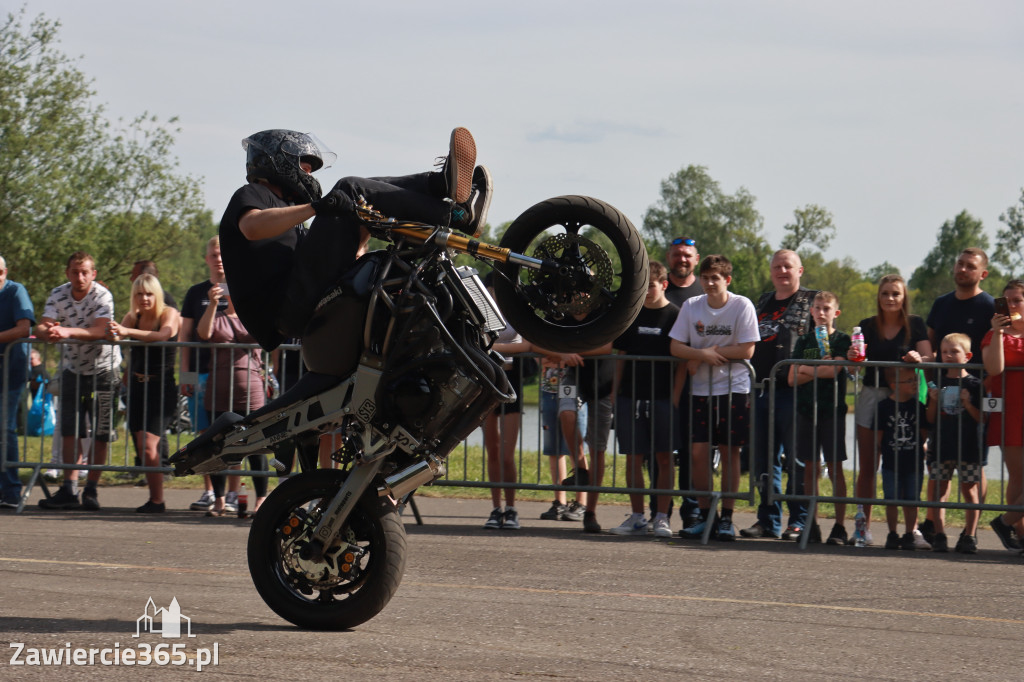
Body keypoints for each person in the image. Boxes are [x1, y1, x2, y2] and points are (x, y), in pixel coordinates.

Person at [218, 128, 491, 367]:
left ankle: (441, 189)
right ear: (276, 161)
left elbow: (337, 248)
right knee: (349, 189)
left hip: (299, 302)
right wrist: (317, 206)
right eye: (305, 165)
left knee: (356, 198)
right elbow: (252, 227)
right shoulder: (254, 193)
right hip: (286, 308)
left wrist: (361, 230)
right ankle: (454, 213)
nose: (309, 173)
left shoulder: (290, 213)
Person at [670, 255, 758, 540]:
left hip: (734, 389)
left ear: (727, 280)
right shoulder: (691, 306)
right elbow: (676, 347)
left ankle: (727, 519)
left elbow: (746, 350)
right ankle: (706, 515)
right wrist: (700, 354)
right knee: (697, 454)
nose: (709, 283)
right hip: (700, 391)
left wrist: (709, 353)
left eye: (715, 278)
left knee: (730, 451)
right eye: (705, 277)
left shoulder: (741, 305)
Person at [846, 274, 931, 544]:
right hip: (872, 396)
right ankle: (863, 527)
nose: (890, 299)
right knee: (869, 466)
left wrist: (920, 358)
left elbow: (930, 357)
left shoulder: (915, 324)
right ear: (878, 297)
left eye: (896, 293)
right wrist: (852, 358)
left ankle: (911, 529)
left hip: (906, 399)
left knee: (909, 464)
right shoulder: (866, 326)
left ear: (904, 296)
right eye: (885, 294)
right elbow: (854, 365)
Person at [741, 250, 817, 540]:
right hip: (761, 390)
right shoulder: (762, 301)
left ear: (800, 270)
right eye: (777, 266)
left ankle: (798, 521)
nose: (782, 271)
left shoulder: (812, 301)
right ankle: (767, 520)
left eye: (788, 266)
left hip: (796, 392)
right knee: (764, 460)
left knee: (797, 461)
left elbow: (822, 339)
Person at [36, 252, 121, 511]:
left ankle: (92, 490)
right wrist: (47, 332)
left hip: (105, 369)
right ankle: (69, 488)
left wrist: (66, 331)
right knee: (70, 430)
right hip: (72, 369)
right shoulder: (58, 293)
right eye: (75, 272)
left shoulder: (102, 296)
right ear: (67, 273)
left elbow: (101, 330)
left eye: (85, 272)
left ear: (93, 274)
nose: (79, 277)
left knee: (102, 431)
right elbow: (43, 325)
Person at [921, 247, 994, 542]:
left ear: (982, 274)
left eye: (970, 266)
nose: (963, 270)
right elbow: (930, 343)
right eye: (959, 264)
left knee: (976, 465)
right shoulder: (941, 304)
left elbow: (1015, 324)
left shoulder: (993, 304)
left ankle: (970, 532)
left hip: (981, 393)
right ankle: (933, 526)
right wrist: (928, 380)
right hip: (942, 394)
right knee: (941, 468)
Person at [607, 262, 680, 538]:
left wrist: (675, 395)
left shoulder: (675, 315)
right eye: (644, 284)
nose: (647, 290)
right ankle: (637, 516)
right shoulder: (632, 314)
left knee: (664, 459)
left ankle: (662, 517)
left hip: (662, 397)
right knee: (633, 458)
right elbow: (621, 355)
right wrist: (615, 392)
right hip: (630, 396)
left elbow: (682, 362)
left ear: (664, 285)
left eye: (652, 284)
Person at [107, 274, 180, 513]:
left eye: (149, 293)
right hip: (137, 387)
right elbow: (117, 334)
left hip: (161, 388)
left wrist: (126, 330)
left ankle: (158, 500)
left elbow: (163, 335)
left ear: (157, 294)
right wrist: (113, 331)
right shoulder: (133, 317)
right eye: (139, 294)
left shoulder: (168, 313)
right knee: (141, 446)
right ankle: (154, 498)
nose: (144, 298)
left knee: (150, 445)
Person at [196, 282, 267, 516]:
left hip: (251, 392)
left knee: (257, 445)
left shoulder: (255, 315)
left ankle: (260, 500)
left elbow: (268, 334)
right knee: (218, 446)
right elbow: (203, 334)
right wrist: (213, 304)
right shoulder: (217, 317)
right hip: (219, 392)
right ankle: (219, 500)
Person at [787, 291, 851, 544]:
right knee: (810, 468)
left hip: (831, 410)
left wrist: (806, 369)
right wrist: (814, 369)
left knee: (835, 468)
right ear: (811, 311)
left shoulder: (842, 340)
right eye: (817, 308)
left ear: (835, 313)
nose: (821, 313)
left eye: (826, 308)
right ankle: (811, 523)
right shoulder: (803, 341)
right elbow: (792, 377)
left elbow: (833, 371)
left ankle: (839, 526)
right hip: (806, 409)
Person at [179, 236, 229, 511]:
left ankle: (234, 491)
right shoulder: (195, 293)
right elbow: (184, 336)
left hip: (232, 375)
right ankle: (209, 491)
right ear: (206, 258)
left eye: (222, 253)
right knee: (204, 435)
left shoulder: (240, 288)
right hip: (199, 375)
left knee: (234, 434)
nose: (218, 258)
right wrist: (185, 377)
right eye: (213, 254)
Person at [924, 333, 983, 553]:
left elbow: (982, 418)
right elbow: (930, 418)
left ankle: (969, 535)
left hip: (968, 447)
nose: (948, 356)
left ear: (967, 356)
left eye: (954, 351)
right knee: (938, 489)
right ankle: (939, 534)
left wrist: (968, 404)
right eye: (945, 351)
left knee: (970, 491)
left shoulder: (975, 384)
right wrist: (933, 400)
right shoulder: (937, 382)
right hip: (941, 445)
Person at [982, 279, 1024, 552]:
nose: (1011, 306)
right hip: (1012, 412)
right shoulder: (993, 335)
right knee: (1018, 479)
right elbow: (995, 369)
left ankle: (1006, 522)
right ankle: (1019, 534)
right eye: (1007, 301)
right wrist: (998, 333)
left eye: (1018, 300)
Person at [665, 237, 704, 528]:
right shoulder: (655, 287)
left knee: (692, 452)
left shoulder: (704, 292)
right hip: (657, 386)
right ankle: (659, 511)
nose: (682, 259)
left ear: (696, 259)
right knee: (660, 451)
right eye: (678, 254)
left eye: (687, 255)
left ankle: (691, 511)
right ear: (669, 257)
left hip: (696, 388)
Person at [872, 366, 930, 551]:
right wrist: (889, 450)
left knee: (913, 499)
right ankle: (892, 533)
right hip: (891, 462)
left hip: (913, 462)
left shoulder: (919, 407)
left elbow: (922, 434)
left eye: (916, 380)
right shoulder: (883, 407)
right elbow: (879, 435)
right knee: (892, 499)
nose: (914, 384)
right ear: (894, 385)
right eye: (909, 381)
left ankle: (909, 534)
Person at [482, 321, 531, 531]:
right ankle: (496, 509)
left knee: (507, 455)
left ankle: (511, 508)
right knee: (492, 451)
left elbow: (526, 345)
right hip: (487, 380)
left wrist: (492, 348)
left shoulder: (515, 309)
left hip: (512, 381)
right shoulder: (482, 307)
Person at [0, 255, 35, 509]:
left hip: (11, 372)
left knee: (5, 428)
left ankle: (11, 490)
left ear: (5, 272)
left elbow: (24, 328)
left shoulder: (15, 291)